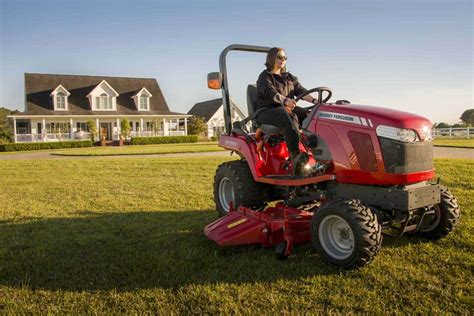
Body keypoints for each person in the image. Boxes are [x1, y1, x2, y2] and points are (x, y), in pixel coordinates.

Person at [255, 47, 318, 165]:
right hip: (266, 111)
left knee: (308, 115)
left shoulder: (289, 77)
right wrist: (285, 101)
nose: (283, 59)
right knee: (290, 115)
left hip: (284, 108)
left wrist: (315, 100)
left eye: (285, 57)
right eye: (280, 57)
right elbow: (271, 93)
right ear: (272, 58)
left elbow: (301, 92)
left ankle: (316, 151)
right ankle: (296, 156)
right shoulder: (265, 77)